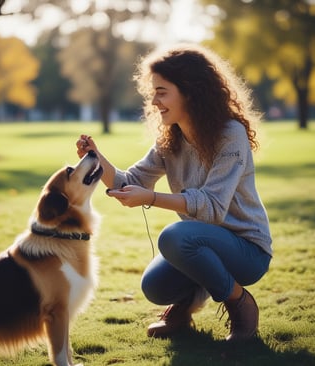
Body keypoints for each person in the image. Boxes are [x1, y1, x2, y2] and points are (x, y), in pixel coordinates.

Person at [76, 44, 272, 342]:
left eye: (162, 91)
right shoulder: (171, 138)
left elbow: (213, 206)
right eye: (153, 92)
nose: (154, 101)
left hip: (247, 250)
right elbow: (130, 180)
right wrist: (96, 159)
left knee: (174, 237)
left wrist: (152, 199)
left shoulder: (230, 135)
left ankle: (239, 303)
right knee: (155, 286)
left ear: (190, 91)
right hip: (198, 243)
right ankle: (185, 307)